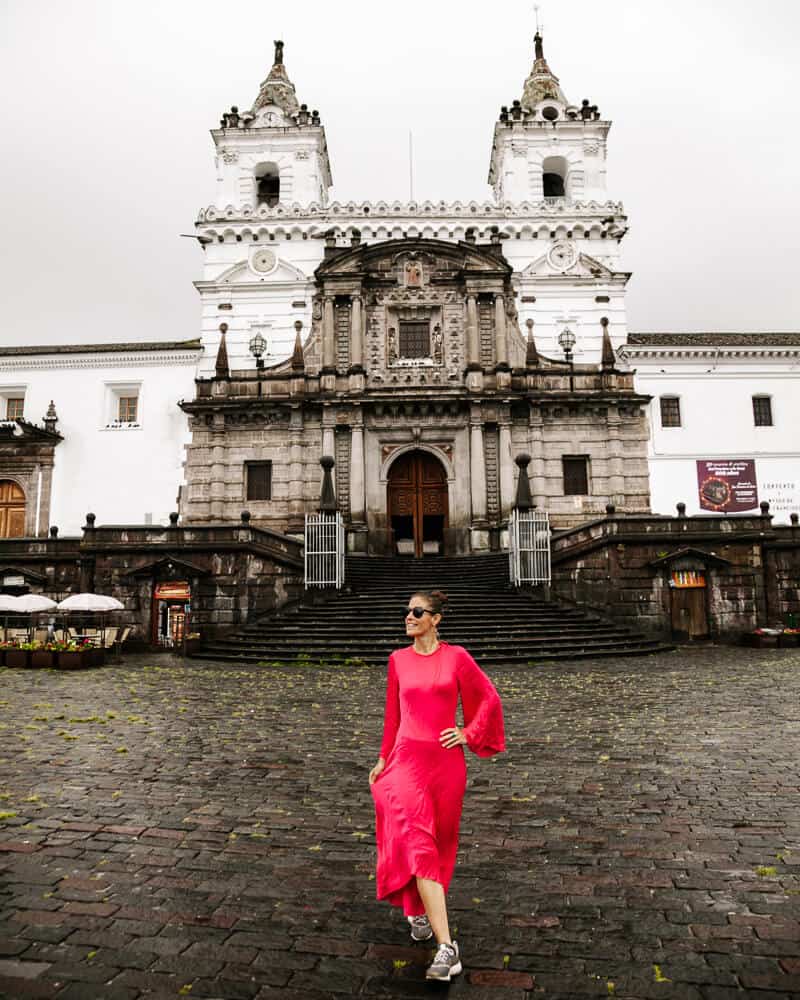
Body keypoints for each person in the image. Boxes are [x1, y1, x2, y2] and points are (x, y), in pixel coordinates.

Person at [369, 590, 505, 982]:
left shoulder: (457, 658)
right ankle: (448, 948)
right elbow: (393, 717)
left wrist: (468, 732)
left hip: (445, 767)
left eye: (417, 612)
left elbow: (489, 699)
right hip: (406, 764)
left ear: (436, 619)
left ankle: (418, 910)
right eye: (406, 612)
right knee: (419, 841)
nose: (408, 617)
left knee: (438, 844)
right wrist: (382, 760)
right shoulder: (397, 660)